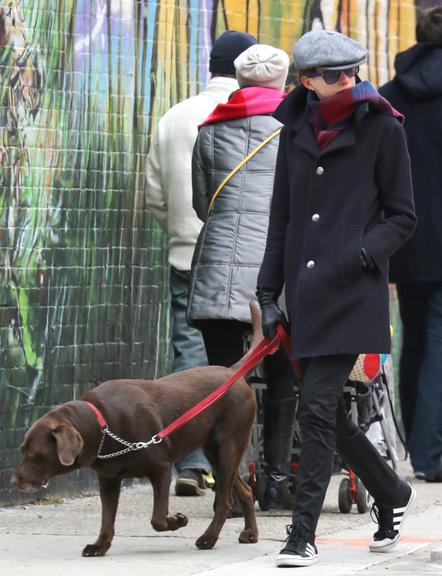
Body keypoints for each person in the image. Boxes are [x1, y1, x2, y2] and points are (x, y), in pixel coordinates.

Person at [256, 30, 417, 567]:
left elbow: (402, 216)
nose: (348, 81)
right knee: (327, 416)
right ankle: (391, 493)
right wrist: (267, 291)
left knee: (316, 411)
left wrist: (362, 255)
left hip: (352, 293)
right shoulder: (293, 129)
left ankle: (301, 535)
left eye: (352, 71)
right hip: (304, 297)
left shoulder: (382, 127)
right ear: (308, 82)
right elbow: (280, 218)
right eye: (334, 75)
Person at [146, 30, 257, 496]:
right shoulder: (253, 117)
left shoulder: (173, 116)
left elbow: (153, 194)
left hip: (185, 253)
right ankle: (240, 464)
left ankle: (189, 464)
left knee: (188, 358)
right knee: (247, 362)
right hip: (241, 261)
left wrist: (180, 230)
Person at [188, 44, 297, 510]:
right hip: (279, 276)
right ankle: (275, 482)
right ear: (284, 82)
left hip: (218, 272)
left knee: (222, 384)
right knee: (282, 379)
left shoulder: (210, 129)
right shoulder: (299, 127)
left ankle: (230, 491)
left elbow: (201, 202)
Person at [379, 7, 442, 484]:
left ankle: (420, 450)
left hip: (406, 236)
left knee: (416, 337)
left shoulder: (389, 96)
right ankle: (431, 453)